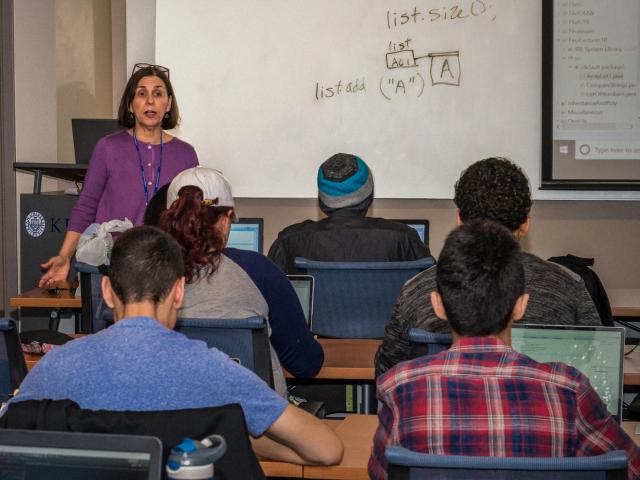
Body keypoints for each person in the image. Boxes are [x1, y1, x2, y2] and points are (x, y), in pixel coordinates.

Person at [13, 226, 343, 466]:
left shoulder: (55, 368)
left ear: (108, 291)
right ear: (179, 292)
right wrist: (238, 442)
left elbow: (12, 434)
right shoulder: (215, 370)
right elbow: (326, 450)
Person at [369, 221, 640, 480]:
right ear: (520, 305)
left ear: (437, 305)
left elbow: (381, 472)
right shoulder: (570, 389)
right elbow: (628, 468)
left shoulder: (398, 387)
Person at [375, 157, 601, 377]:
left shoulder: (418, 289)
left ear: (459, 219)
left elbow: (387, 370)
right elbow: (598, 365)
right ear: (525, 223)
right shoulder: (568, 286)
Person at [159, 167, 323, 394]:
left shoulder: (148, 272)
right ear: (226, 220)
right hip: (251, 421)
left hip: (172, 413)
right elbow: (306, 363)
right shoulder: (258, 270)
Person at [39, 63, 199, 287]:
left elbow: (193, 218)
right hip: (113, 267)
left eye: (158, 94)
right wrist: (65, 256)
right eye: (142, 94)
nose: (150, 101)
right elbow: (86, 206)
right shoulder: (108, 148)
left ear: (168, 104)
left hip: (165, 268)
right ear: (131, 105)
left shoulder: (186, 154)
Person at [267, 153, 431, 274]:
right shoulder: (403, 238)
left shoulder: (289, 241)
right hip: (386, 322)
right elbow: (433, 299)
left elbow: (272, 301)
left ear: (322, 201)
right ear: (369, 197)